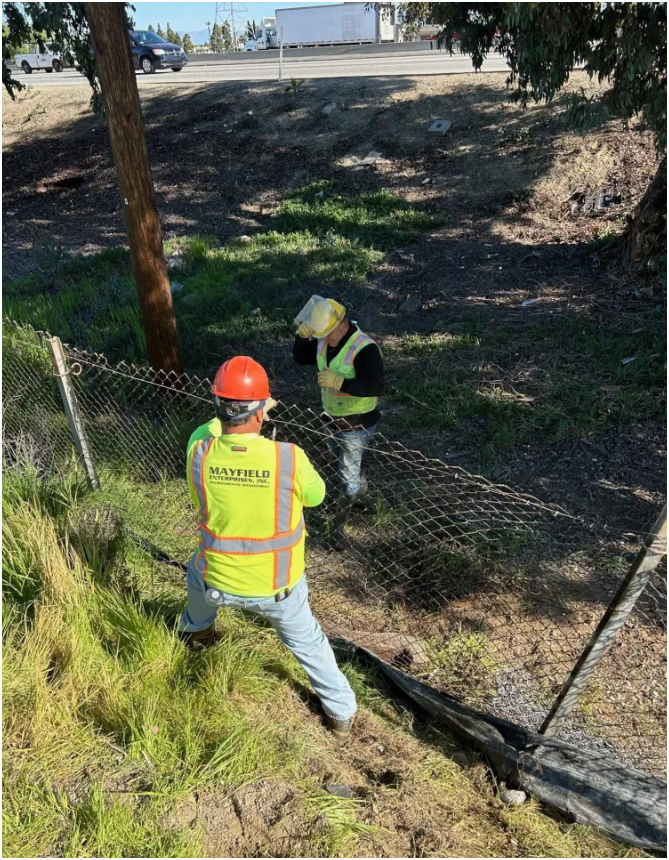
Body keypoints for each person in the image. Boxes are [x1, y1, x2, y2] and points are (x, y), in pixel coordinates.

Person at [179, 355, 357, 737]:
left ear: (216, 406)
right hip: (279, 590)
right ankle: (340, 713)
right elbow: (317, 496)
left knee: (195, 571)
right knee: (310, 643)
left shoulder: (199, 453)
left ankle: (197, 632)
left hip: (217, 585)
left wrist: (227, 413)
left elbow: (207, 430)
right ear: (260, 413)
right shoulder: (289, 459)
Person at [293, 298, 385, 548]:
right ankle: (363, 494)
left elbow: (376, 385)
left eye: (326, 334)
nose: (322, 339)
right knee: (345, 466)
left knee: (347, 477)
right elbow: (302, 359)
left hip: (357, 425)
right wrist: (302, 339)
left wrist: (340, 383)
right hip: (331, 419)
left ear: (343, 326)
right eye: (319, 334)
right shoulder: (326, 340)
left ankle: (338, 530)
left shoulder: (364, 349)